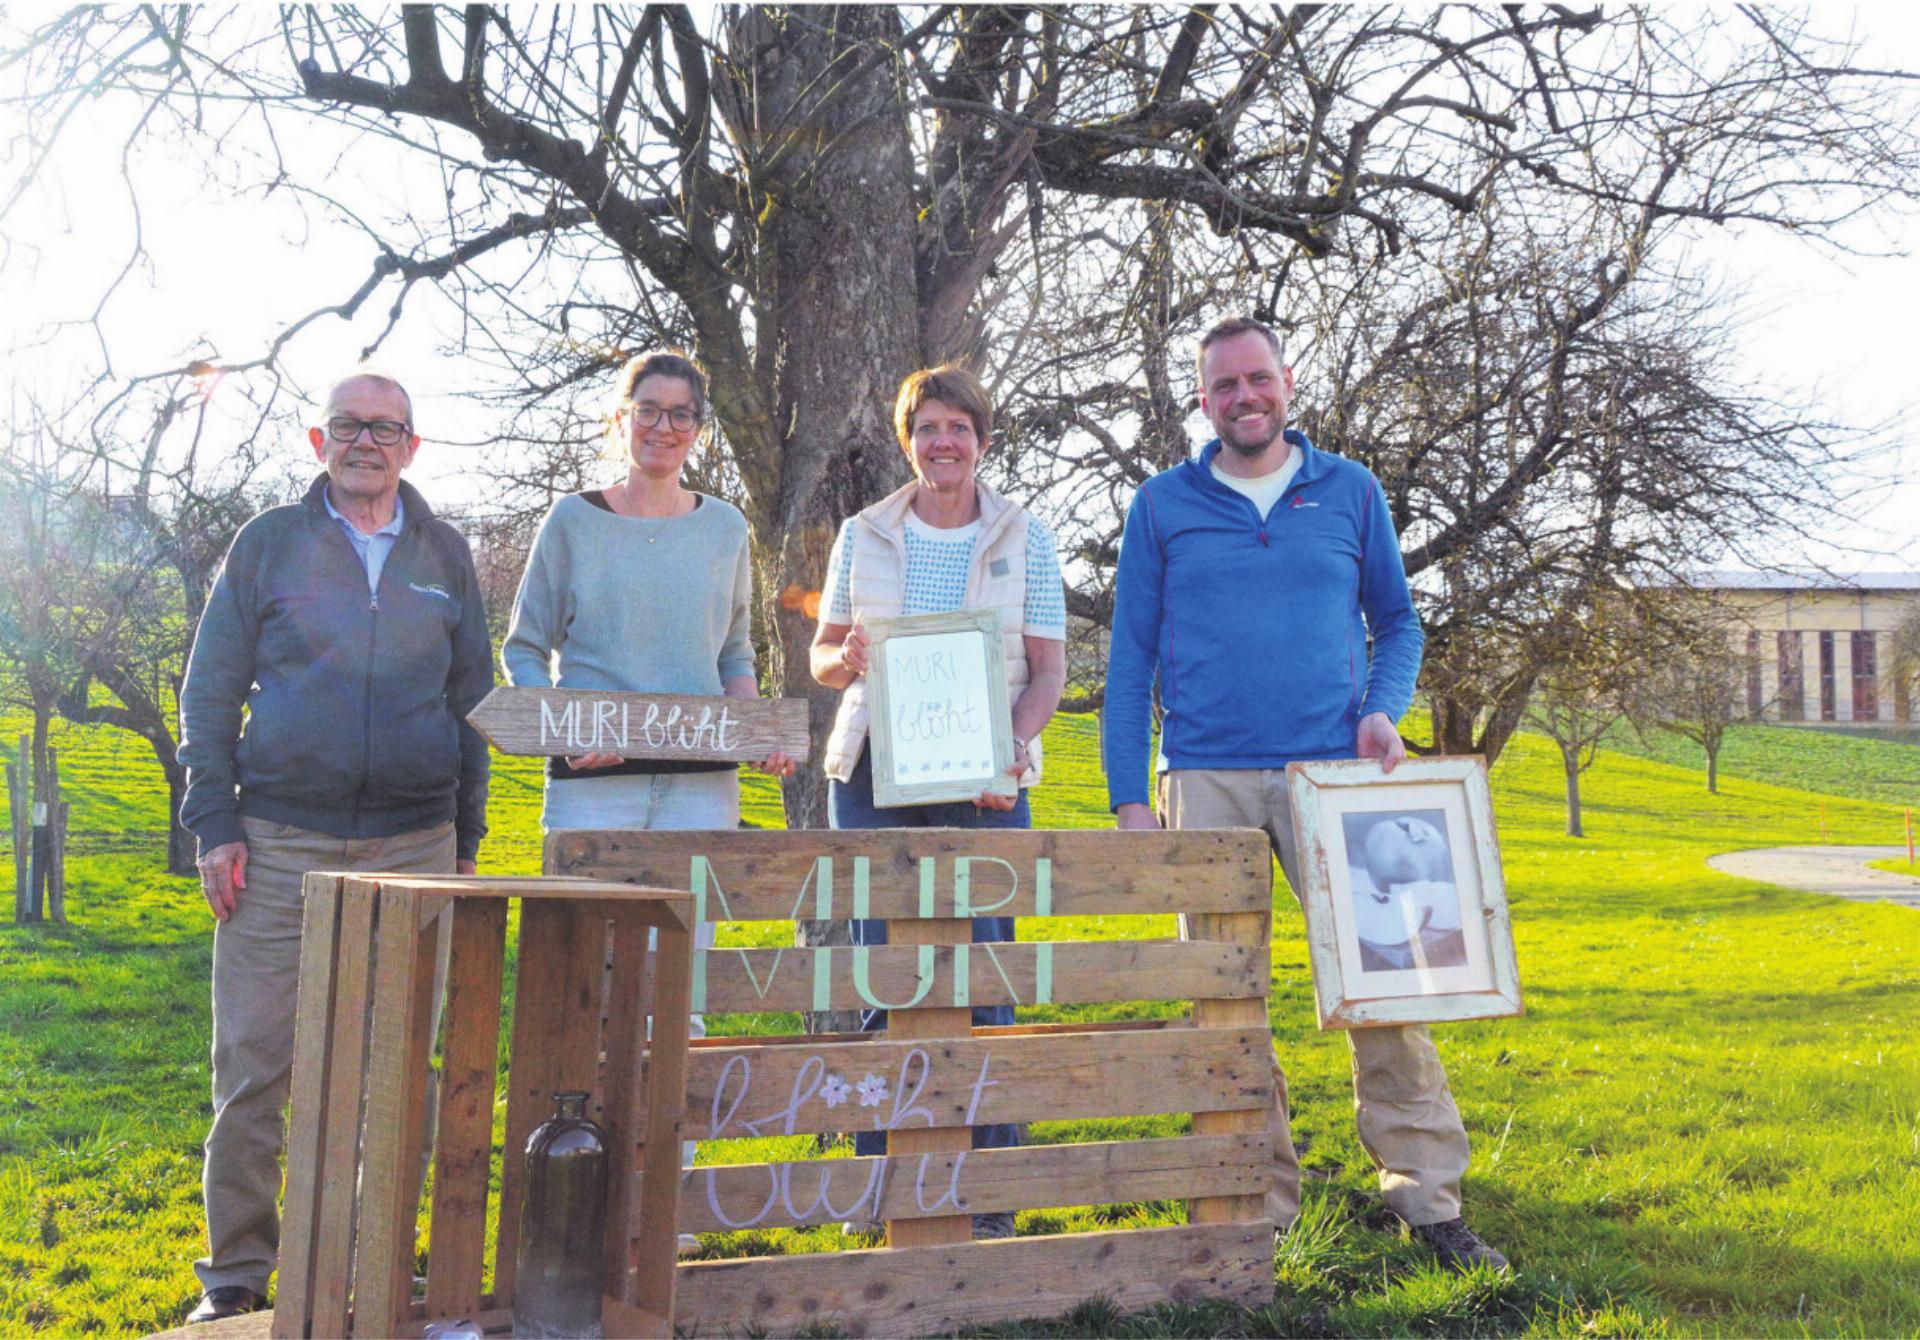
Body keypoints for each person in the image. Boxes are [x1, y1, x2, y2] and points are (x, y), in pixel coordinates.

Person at [1102, 315, 1508, 1273]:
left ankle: (1427, 1200)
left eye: (1258, 379)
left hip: (1336, 781)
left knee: (1386, 992)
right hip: (1202, 776)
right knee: (1225, 1001)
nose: (1244, 397)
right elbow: (1129, 659)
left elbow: (1397, 622)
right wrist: (1129, 795)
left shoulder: (1351, 491)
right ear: (1200, 403)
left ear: (1287, 383)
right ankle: (1256, 1200)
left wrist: (1381, 712)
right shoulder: (1162, 505)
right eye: (1223, 386)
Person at [177, 371, 492, 1322]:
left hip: (417, 839)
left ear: (411, 446)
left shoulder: (445, 554)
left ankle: (381, 1258)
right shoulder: (267, 544)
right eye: (349, 426)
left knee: (404, 1067)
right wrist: (216, 823)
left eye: (385, 427)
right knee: (256, 1063)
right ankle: (235, 1274)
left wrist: (468, 838)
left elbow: (473, 705)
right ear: (320, 443)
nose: (367, 440)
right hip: (277, 843)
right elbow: (209, 690)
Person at [500, 349, 792, 1257]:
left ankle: (665, 1208)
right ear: (618, 418)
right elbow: (521, 652)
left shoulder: (726, 529)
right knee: (585, 994)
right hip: (595, 797)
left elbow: (736, 653)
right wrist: (560, 730)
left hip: (703, 791)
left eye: (681, 413)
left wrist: (758, 731)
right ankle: (574, 1202)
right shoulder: (572, 524)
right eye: (648, 409)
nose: (664, 426)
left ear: (698, 431)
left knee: (683, 998)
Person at [810, 364, 1067, 1240]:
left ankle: (988, 1192)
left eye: (959, 426)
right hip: (873, 779)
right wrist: (842, 661)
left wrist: (1011, 755)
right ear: (906, 439)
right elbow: (821, 652)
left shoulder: (1024, 534)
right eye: (927, 428)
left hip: (984, 783)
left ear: (983, 441)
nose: (943, 442)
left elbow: (1048, 670)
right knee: (885, 975)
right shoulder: (863, 532)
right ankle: (882, 1187)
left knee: (984, 978)